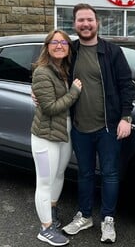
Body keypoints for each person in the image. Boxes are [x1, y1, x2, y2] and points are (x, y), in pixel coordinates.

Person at [61, 3, 135, 243]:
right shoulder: (69, 51)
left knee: (110, 174)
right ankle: (84, 216)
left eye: (89, 20)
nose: (85, 24)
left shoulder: (112, 52)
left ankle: (108, 219)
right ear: (74, 24)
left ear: (97, 22)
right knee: (84, 174)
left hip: (108, 127)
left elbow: (126, 86)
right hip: (80, 127)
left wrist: (126, 117)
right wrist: (36, 91)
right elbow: (48, 72)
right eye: (81, 20)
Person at [31, 29, 82, 246]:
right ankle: (45, 229)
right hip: (45, 136)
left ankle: (52, 212)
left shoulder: (64, 69)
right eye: (54, 42)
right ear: (47, 46)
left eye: (64, 42)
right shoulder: (42, 72)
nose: (59, 45)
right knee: (44, 181)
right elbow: (51, 108)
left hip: (64, 132)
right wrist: (74, 92)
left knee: (59, 174)